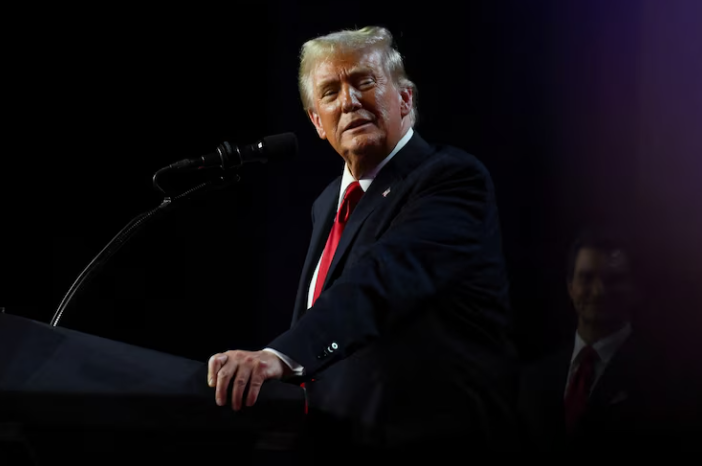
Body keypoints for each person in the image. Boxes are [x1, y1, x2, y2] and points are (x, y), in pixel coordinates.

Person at [207, 26, 519, 458]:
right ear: (317, 121)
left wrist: (280, 355)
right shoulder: (325, 206)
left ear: (405, 99)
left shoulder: (448, 179)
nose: (349, 101)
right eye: (330, 92)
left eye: (364, 82)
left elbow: (379, 282)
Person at [518, 229, 690, 456]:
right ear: (570, 287)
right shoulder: (533, 380)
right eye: (586, 278)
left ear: (634, 290)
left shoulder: (667, 379)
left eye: (613, 279)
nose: (599, 291)